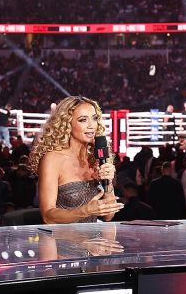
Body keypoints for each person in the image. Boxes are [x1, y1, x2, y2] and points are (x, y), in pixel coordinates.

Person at [28, 96, 123, 224]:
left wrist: (108, 182)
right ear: (67, 124)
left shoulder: (96, 158)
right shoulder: (52, 159)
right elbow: (47, 216)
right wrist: (86, 210)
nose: (91, 126)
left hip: (94, 241)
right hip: (62, 241)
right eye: (83, 120)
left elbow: (108, 216)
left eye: (94, 118)